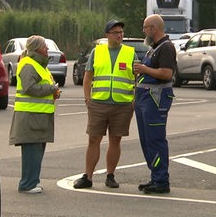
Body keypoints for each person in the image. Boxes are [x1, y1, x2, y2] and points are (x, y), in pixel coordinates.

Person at [73, 19, 137, 189]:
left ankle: (110, 175)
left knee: (115, 140)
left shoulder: (130, 53)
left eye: (121, 32)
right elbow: (87, 77)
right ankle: (88, 176)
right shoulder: (97, 51)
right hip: (99, 103)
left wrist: (134, 100)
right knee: (94, 139)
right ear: (107, 35)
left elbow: (138, 77)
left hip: (122, 105)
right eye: (116, 32)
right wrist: (88, 98)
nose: (120, 35)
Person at [9, 35, 60, 194]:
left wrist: (53, 91)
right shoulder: (29, 65)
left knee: (36, 150)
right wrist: (51, 89)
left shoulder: (38, 64)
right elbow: (29, 88)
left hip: (38, 116)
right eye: (44, 46)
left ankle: (32, 181)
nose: (47, 49)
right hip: (30, 116)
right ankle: (27, 184)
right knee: (32, 151)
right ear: (36, 49)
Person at [133, 14, 176, 194]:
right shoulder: (154, 48)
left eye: (145, 28)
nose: (144, 31)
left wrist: (144, 69)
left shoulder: (166, 48)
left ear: (154, 28)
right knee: (146, 141)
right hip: (144, 99)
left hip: (155, 100)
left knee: (155, 140)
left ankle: (161, 180)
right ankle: (155, 176)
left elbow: (166, 73)